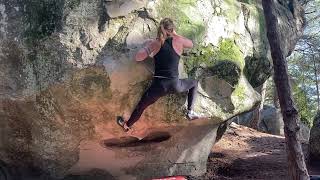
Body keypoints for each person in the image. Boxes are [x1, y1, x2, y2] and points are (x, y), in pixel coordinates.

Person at [117, 18, 199, 132]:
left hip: (159, 86)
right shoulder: (179, 40)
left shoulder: (156, 43)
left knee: (142, 105)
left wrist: (147, 46)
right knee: (194, 82)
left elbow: (138, 57)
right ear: (173, 29)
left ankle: (127, 125)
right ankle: (190, 112)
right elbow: (191, 44)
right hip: (176, 84)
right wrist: (176, 35)